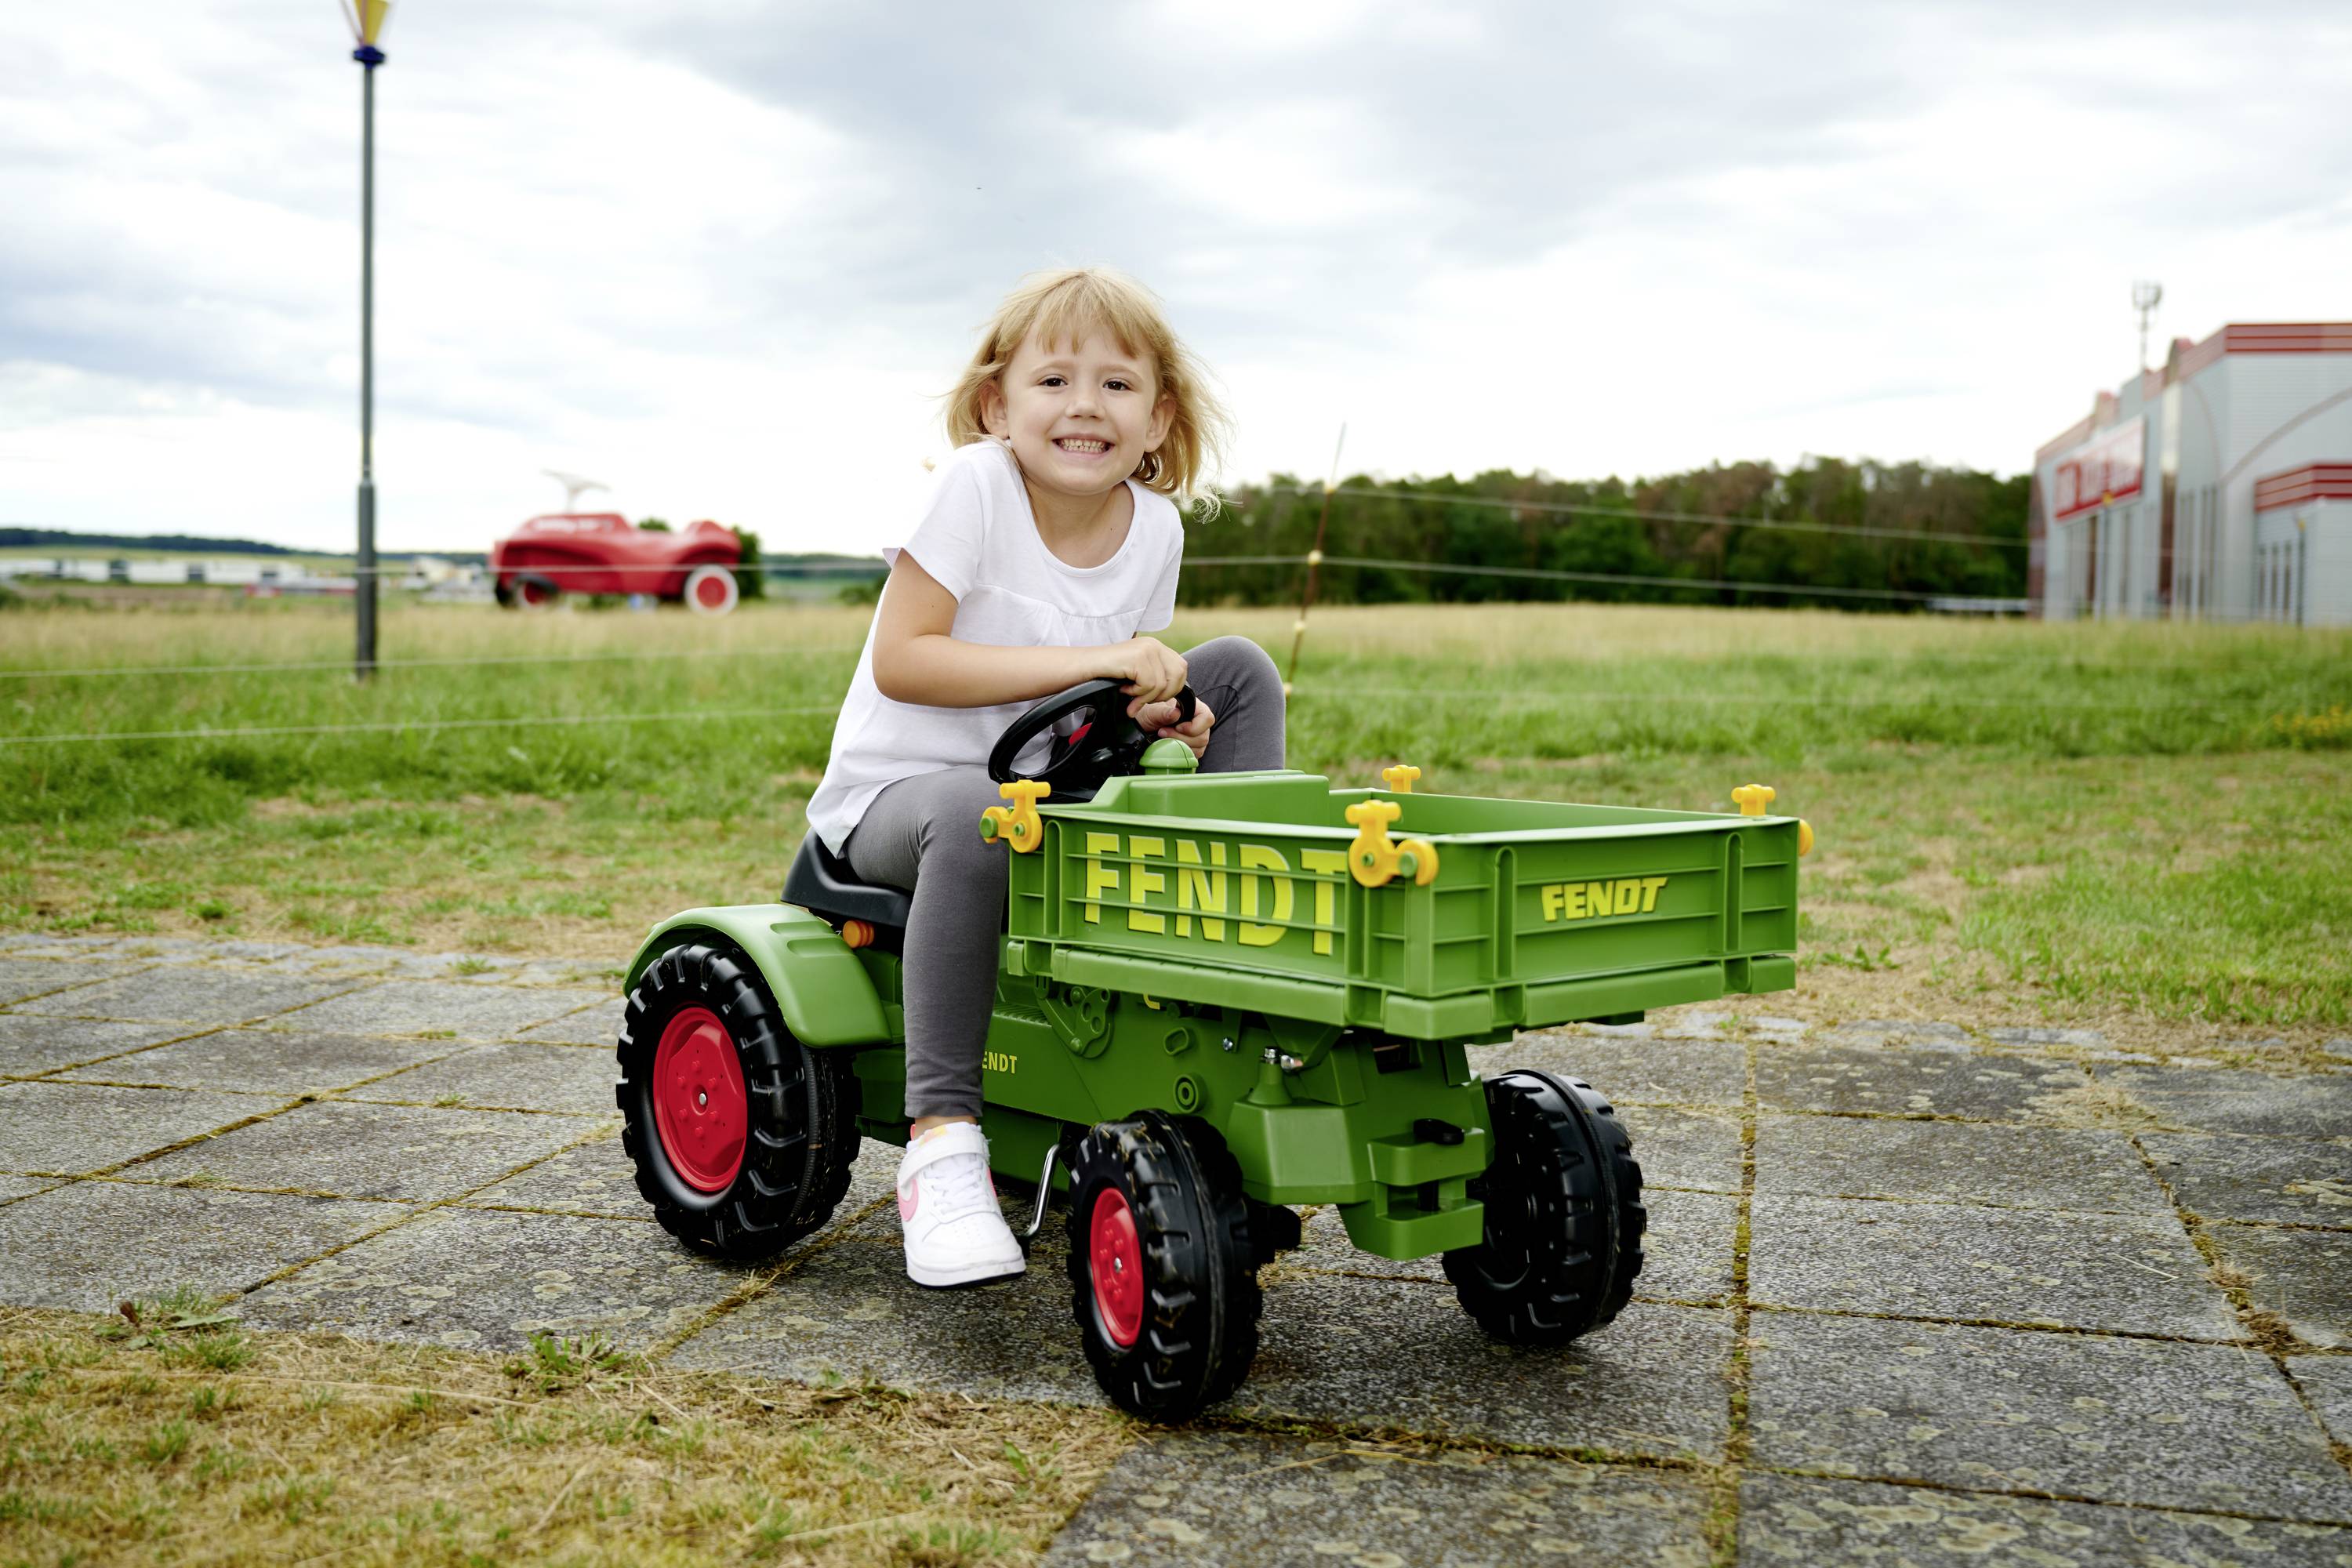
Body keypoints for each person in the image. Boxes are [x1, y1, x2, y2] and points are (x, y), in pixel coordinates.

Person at [804, 267, 1285, 1287]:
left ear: (1158, 419)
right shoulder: (975, 489)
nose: (1082, 406)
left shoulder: (1156, 529)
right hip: (904, 800)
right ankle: (943, 1146)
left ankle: (1231, 978)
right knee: (986, 818)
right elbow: (906, 661)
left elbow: (1099, 698)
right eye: (1053, 380)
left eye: (1115, 386)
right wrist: (1095, 665)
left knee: (1238, 667)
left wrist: (1159, 714)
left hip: (1044, 790)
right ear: (998, 407)